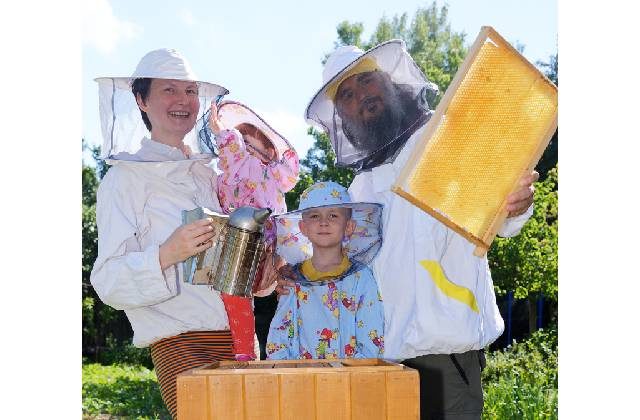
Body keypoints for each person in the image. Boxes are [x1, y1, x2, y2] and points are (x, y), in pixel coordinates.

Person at [288, 40, 539, 419]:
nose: (362, 97)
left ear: (390, 82)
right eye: (348, 96)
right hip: (383, 367)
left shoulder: (446, 141)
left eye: (367, 81)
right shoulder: (358, 192)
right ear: (342, 117)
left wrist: (517, 204)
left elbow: (500, 212)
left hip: (446, 358)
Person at [90, 48, 279, 419]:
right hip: (182, 344)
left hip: (243, 340)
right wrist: (166, 253)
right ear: (141, 100)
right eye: (169, 90)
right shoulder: (123, 180)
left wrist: (261, 277)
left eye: (191, 91)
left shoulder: (215, 176)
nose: (183, 101)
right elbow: (107, 281)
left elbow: (231, 266)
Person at [202, 100, 300, 361]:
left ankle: (245, 350)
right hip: (267, 254)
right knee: (248, 299)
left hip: (248, 247)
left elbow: (232, 151)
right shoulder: (266, 178)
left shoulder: (252, 169)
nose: (240, 148)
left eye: (247, 144)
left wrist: (221, 129)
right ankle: (280, 348)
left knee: (234, 296)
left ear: (266, 155)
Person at [266, 181, 384, 359]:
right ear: (303, 227)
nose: (323, 223)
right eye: (314, 216)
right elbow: (279, 339)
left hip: (349, 381)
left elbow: (371, 340)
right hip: (302, 382)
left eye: (333, 215)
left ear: (349, 227)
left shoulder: (362, 278)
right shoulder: (291, 279)